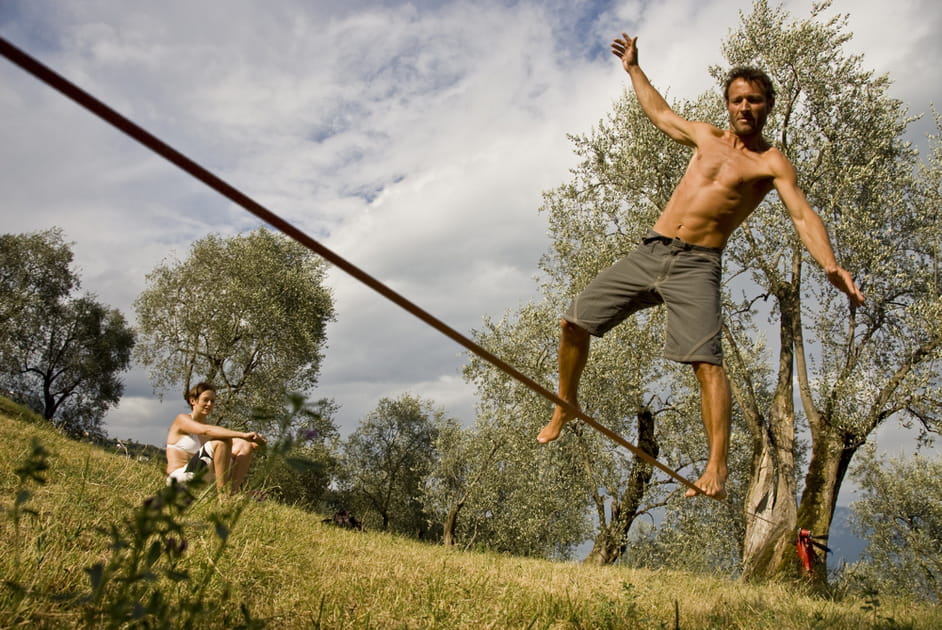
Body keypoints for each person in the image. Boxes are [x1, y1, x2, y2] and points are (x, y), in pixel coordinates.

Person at [536, 34, 865, 500]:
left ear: (768, 105)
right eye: (737, 99)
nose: (744, 107)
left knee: (707, 364)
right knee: (573, 322)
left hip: (698, 264)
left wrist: (830, 265)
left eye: (754, 100)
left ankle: (716, 467)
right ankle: (566, 402)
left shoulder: (772, 164)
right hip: (652, 250)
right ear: (728, 105)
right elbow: (661, 113)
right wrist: (633, 69)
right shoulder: (706, 137)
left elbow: (802, 215)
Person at [165, 382, 266, 493]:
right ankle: (223, 496)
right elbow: (204, 430)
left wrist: (255, 442)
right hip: (180, 479)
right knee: (222, 442)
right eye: (206, 400)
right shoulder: (182, 420)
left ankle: (233, 492)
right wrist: (243, 434)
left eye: (212, 401)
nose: (209, 404)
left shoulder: (212, 430)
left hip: (205, 480)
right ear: (192, 400)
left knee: (244, 445)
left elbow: (241, 446)